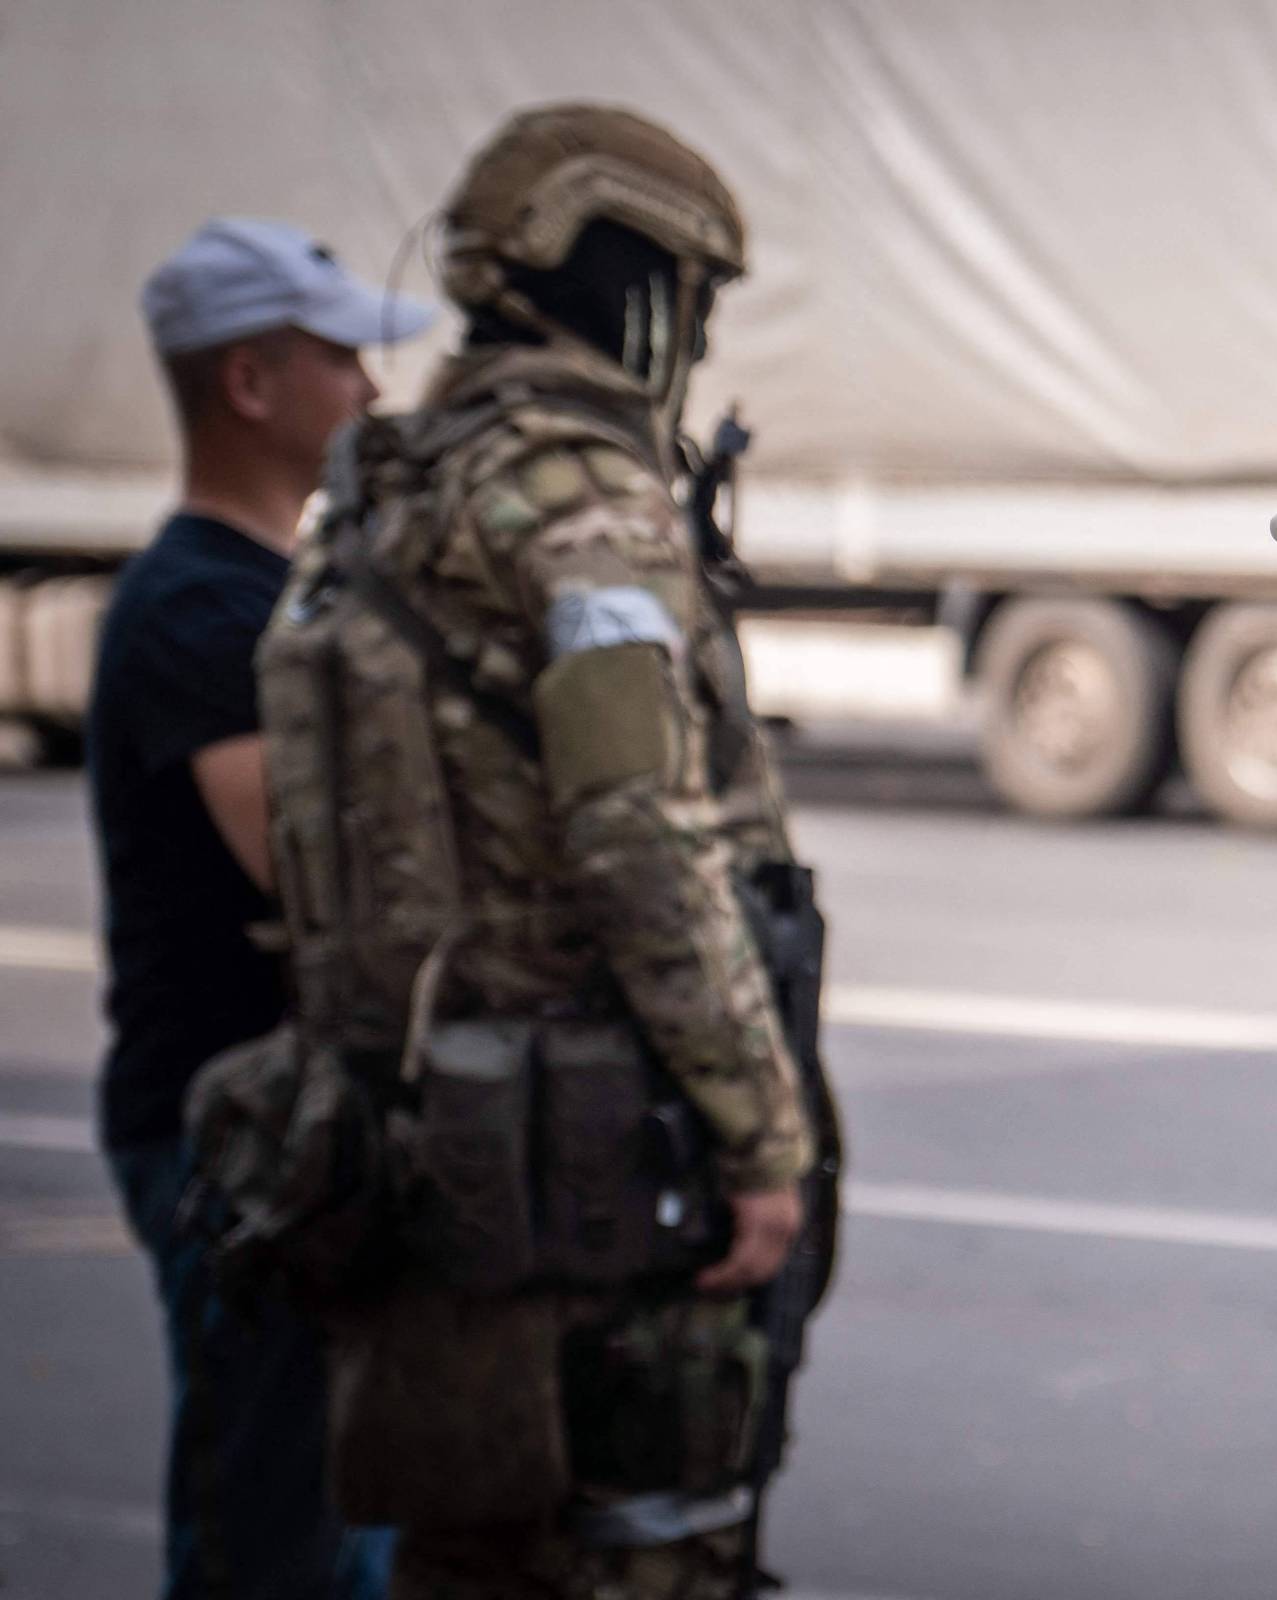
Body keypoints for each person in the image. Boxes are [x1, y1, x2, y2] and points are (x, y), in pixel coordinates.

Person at [249, 104, 837, 1598]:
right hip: (595, 1167)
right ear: (623, 280)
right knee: (637, 1546)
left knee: (473, 1552)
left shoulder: (379, 493)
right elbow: (642, 841)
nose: (687, 345)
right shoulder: (582, 507)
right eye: (683, 299)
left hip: (426, 1151)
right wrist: (763, 1134)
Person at [91, 218, 430, 1598]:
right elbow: (312, 873)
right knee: (272, 1548)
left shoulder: (270, 592)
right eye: (342, 358)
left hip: (296, 1136)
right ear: (249, 383)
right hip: (229, 1141)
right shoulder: (194, 610)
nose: (370, 389)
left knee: (341, 1526)